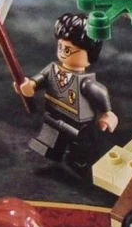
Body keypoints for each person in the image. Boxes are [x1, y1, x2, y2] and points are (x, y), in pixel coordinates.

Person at [17, 12, 118, 174]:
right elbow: (39, 80)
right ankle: (56, 153)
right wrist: (30, 86)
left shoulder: (85, 82)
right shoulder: (52, 69)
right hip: (54, 114)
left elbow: (100, 92)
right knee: (50, 142)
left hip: (78, 123)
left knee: (79, 146)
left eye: (69, 50)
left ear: (90, 54)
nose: (63, 52)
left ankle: (79, 161)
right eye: (61, 47)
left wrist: (107, 113)